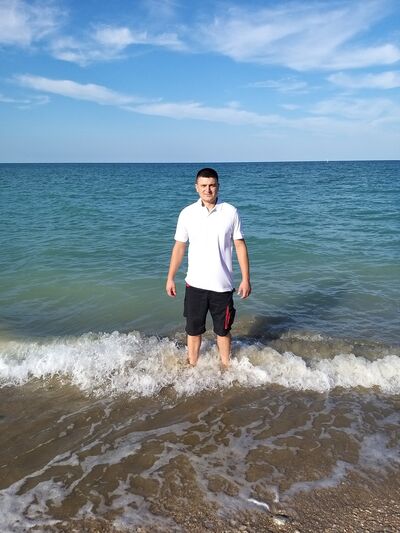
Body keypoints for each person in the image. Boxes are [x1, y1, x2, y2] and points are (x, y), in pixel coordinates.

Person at [166, 167, 251, 368]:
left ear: (218, 186)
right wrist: (170, 277)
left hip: (222, 286)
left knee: (223, 331)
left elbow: (240, 245)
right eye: (203, 185)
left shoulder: (230, 212)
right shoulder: (187, 213)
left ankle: (226, 367)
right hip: (195, 285)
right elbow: (179, 247)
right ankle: (192, 366)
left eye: (212, 185)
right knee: (193, 330)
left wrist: (246, 279)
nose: (208, 190)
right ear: (196, 187)